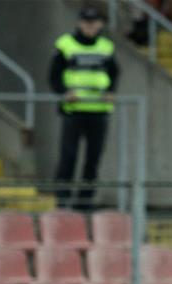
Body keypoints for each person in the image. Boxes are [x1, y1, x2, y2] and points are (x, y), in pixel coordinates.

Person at [49, 6, 119, 209]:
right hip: (74, 109)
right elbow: (53, 75)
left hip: (99, 110)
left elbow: (114, 73)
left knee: (93, 158)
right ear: (79, 22)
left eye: (94, 22)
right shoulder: (65, 44)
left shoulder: (106, 46)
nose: (89, 26)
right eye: (86, 22)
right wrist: (64, 92)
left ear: (100, 24)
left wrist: (111, 91)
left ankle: (85, 200)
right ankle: (62, 198)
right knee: (68, 155)